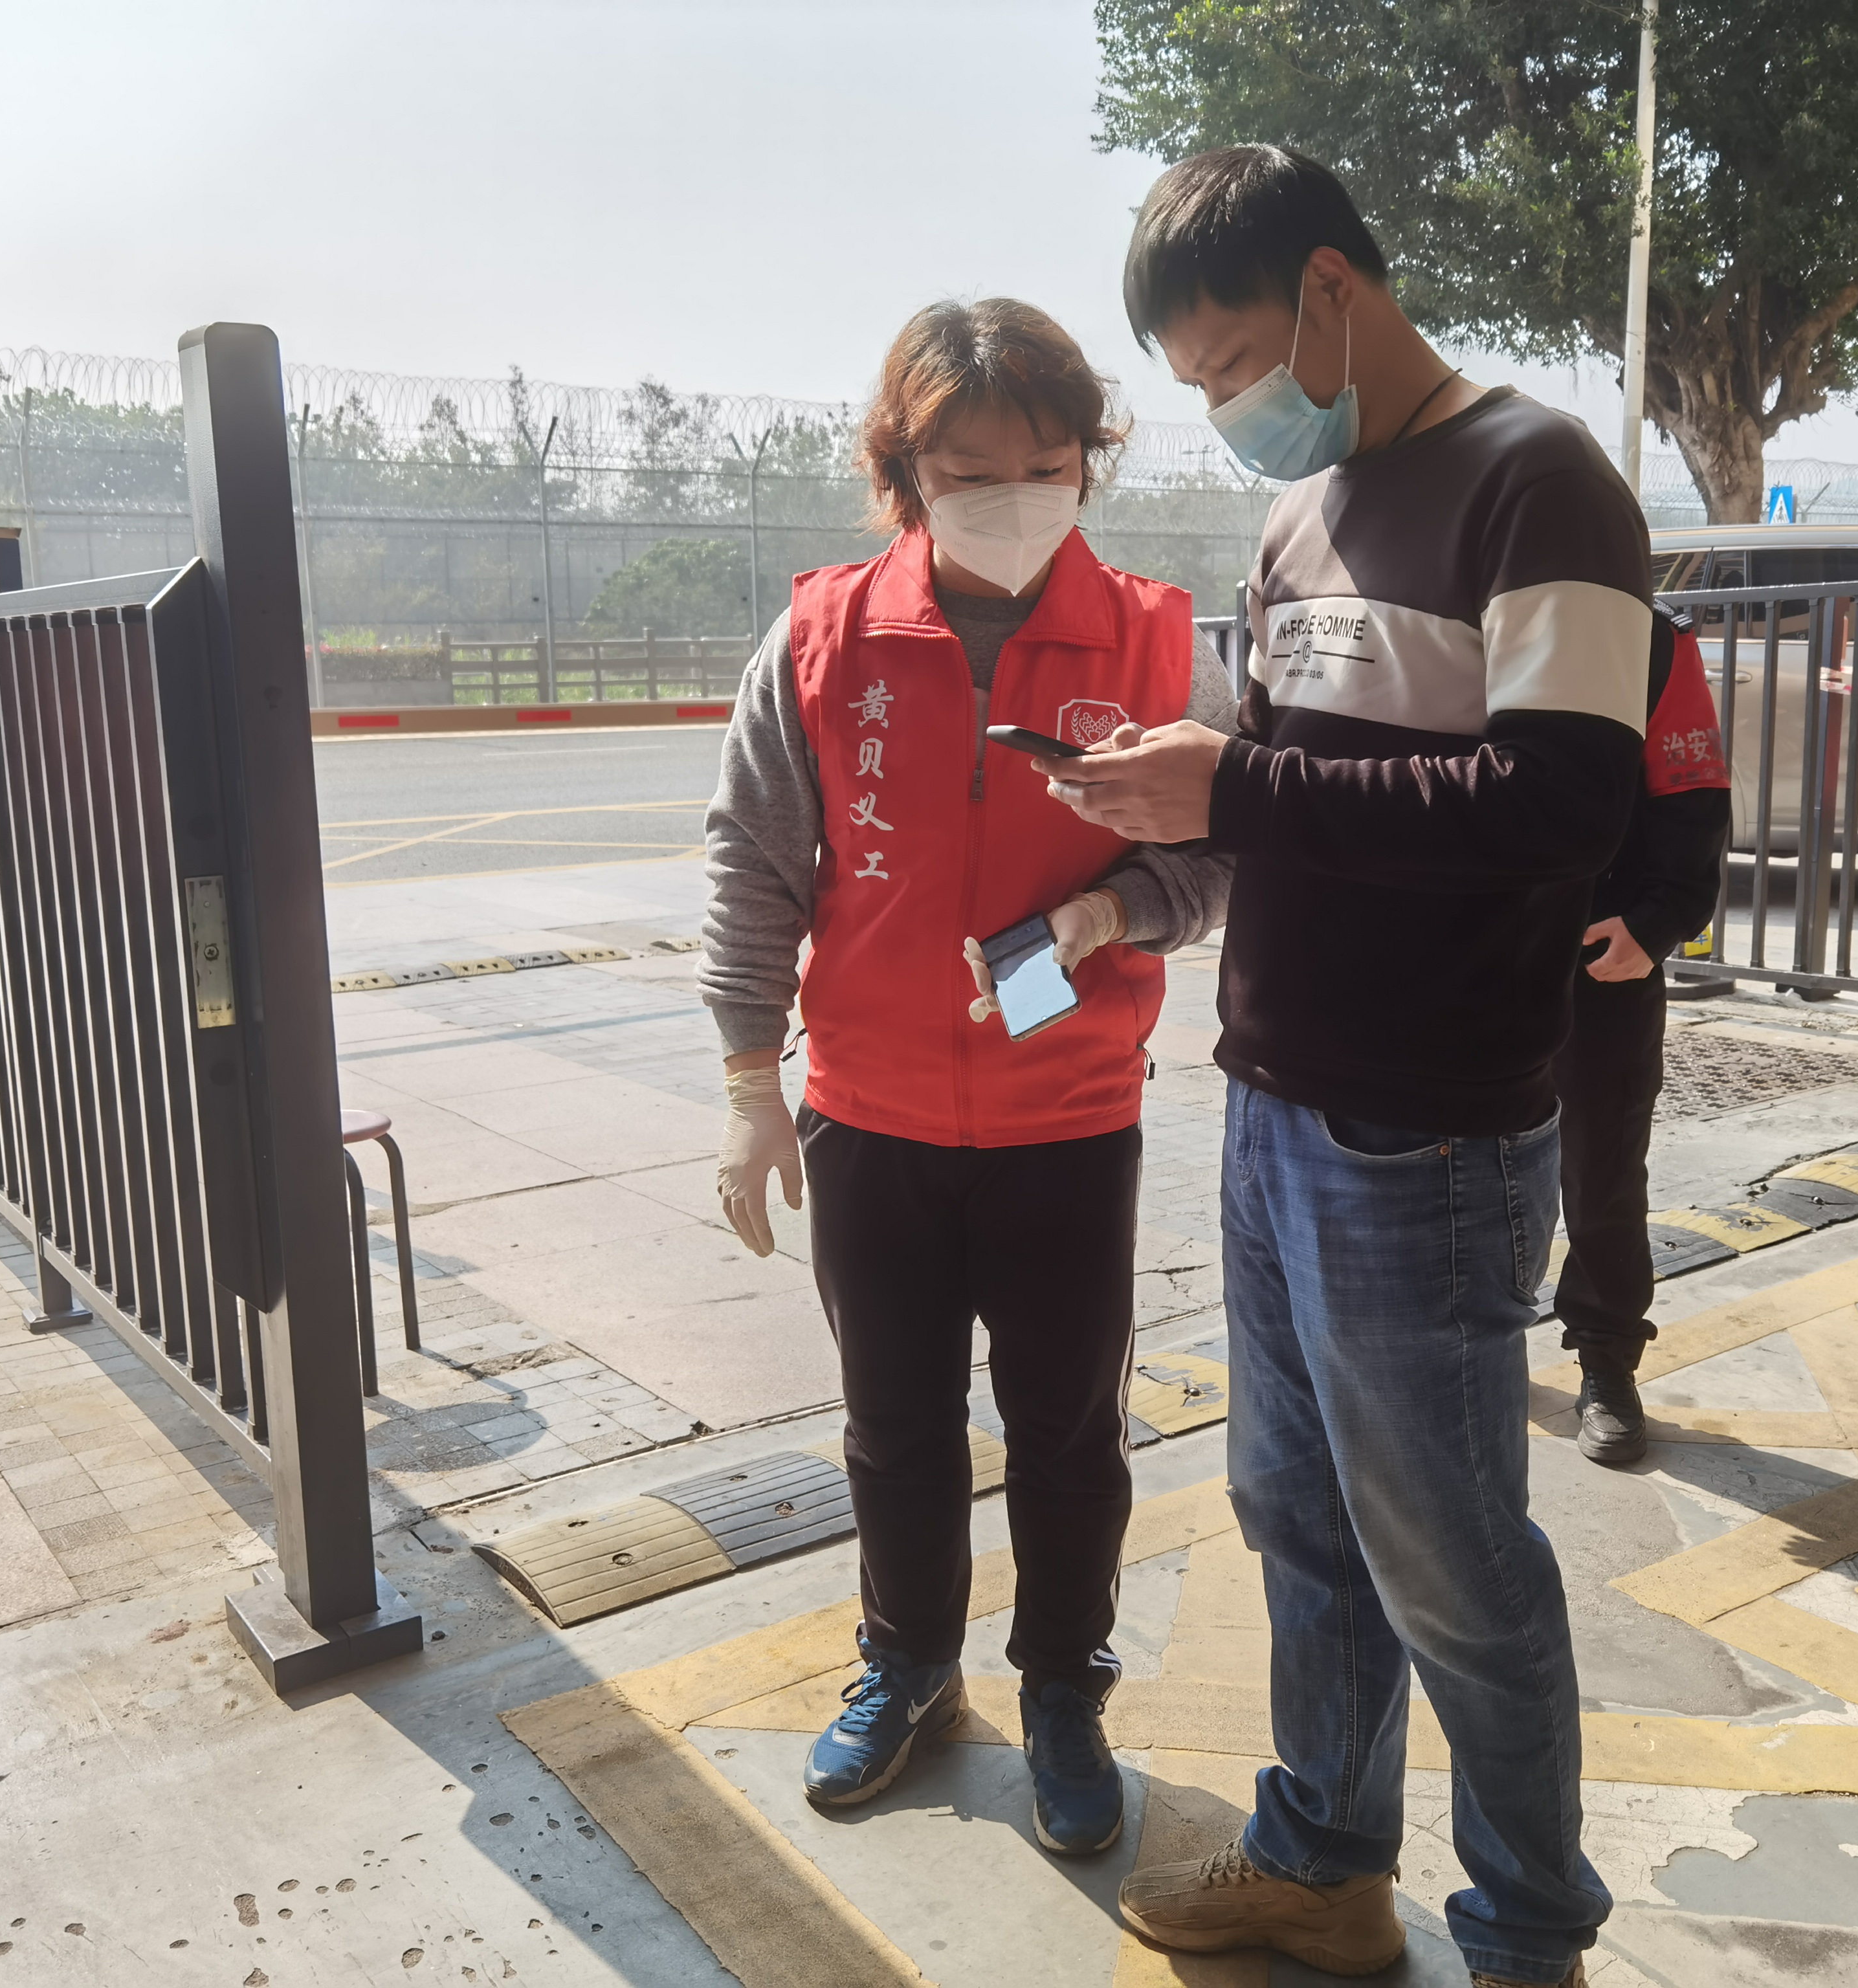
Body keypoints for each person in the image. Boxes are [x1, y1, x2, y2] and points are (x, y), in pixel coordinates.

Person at [1052, 145, 1647, 1988]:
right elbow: (1296, 792)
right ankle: (1322, 1858)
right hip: (1274, 1105)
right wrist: (1168, 833)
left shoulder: (1540, 481)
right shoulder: (1300, 513)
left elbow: (1561, 801)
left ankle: (1529, 1931)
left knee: (1452, 1563)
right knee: (1297, 1521)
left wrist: (1232, 783)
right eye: (1198, 384)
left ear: (1332, 288)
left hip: (1426, 1137)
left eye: (1235, 363)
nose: (1229, 406)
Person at [697, 296, 1236, 1855]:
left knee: (1067, 1432)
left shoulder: (1155, 643)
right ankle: (908, 1668)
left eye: (1043, 467)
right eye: (967, 473)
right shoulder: (821, 643)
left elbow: (1218, 857)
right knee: (894, 1426)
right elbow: (753, 867)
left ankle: (1063, 1686)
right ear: (903, 475)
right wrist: (748, 1083)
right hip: (868, 1120)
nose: (1010, 498)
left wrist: (1107, 914)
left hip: (1066, 1119)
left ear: (1086, 464)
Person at [1550, 606, 1734, 1464]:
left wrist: (1657, 922)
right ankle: (1461, 1343)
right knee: (1449, 1158)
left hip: (1602, 953)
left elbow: (1695, 796)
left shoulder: (1651, 640)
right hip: (1464, 947)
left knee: (1603, 1165)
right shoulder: (1452, 608)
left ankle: (1606, 1356)